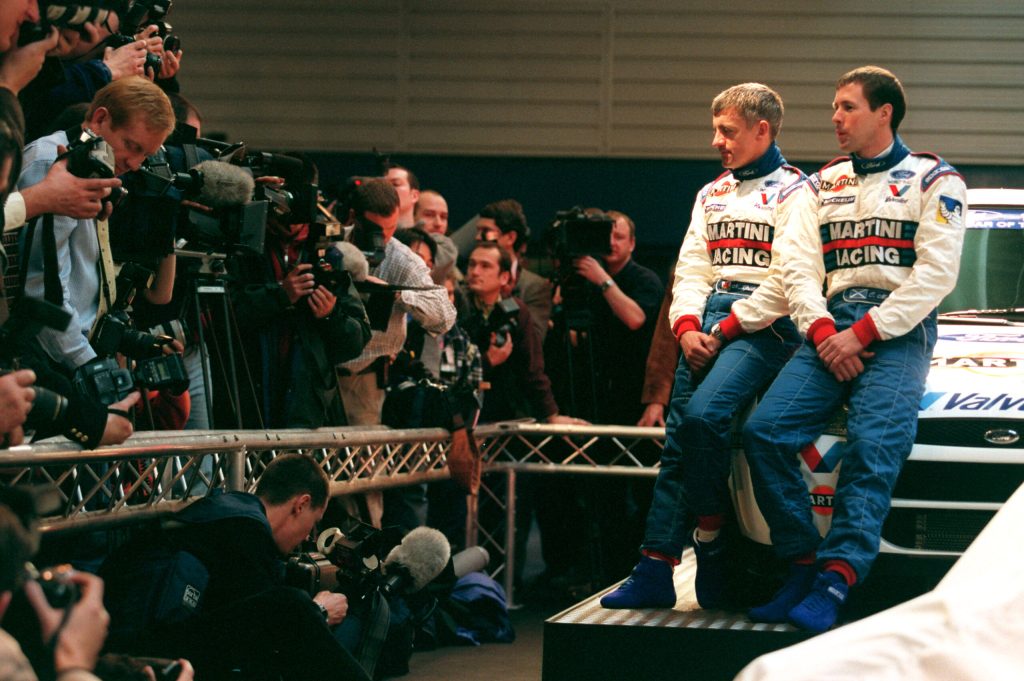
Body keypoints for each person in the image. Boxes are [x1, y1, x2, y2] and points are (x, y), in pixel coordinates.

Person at [742, 66, 967, 632]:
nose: (835, 118)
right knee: (763, 432)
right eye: (835, 107)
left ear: (884, 112)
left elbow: (935, 277)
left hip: (900, 331)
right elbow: (796, 268)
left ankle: (836, 578)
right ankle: (800, 563)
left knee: (872, 445)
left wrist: (862, 333)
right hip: (828, 324)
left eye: (847, 107)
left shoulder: (935, 180)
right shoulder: (820, 183)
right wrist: (824, 333)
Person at [601, 83, 804, 610]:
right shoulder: (710, 194)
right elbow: (690, 270)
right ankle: (654, 568)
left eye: (727, 131)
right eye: (716, 129)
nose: (716, 140)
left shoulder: (799, 193)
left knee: (701, 420)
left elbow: (789, 281)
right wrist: (687, 327)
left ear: (763, 130)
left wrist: (725, 329)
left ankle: (711, 543)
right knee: (676, 449)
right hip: (708, 319)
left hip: (766, 325)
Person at [102, 454, 368, 681]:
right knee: (294, 606)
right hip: (145, 653)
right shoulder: (246, 532)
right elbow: (271, 632)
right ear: (301, 505)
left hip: (133, 643)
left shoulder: (227, 513)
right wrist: (318, 611)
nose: (309, 536)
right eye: (314, 523)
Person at [18, 76, 173, 371]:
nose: (135, 164)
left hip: (72, 350)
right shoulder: (52, 162)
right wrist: (85, 364)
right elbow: (41, 286)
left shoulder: (89, 165)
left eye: (146, 155)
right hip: (51, 358)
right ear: (100, 118)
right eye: (132, 145)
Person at [462, 241, 581, 426]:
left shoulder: (517, 310)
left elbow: (532, 368)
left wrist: (551, 414)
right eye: (472, 264)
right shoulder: (456, 306)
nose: (475, 271)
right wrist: (487, 361)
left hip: (506, 409)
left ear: (504, 277)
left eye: (485, 266)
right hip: (462, 411)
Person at [476, 199, 552, 343]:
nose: (477, 237)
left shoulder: (535, 287)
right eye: (478, 231)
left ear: (510, 237)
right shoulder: (470, 278)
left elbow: (533, 340)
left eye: (486, 232)